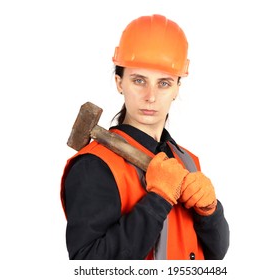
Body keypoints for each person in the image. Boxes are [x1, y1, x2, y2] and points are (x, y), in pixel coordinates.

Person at [60, 14, 229, 260]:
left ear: (177, 89)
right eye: (139, 80)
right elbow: (88, 266)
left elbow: (217, 255)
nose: (150, 96)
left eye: (164, 83)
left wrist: (211, 212)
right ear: (119, 82)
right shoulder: (95, 166)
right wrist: (158, 199)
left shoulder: (189, 162)